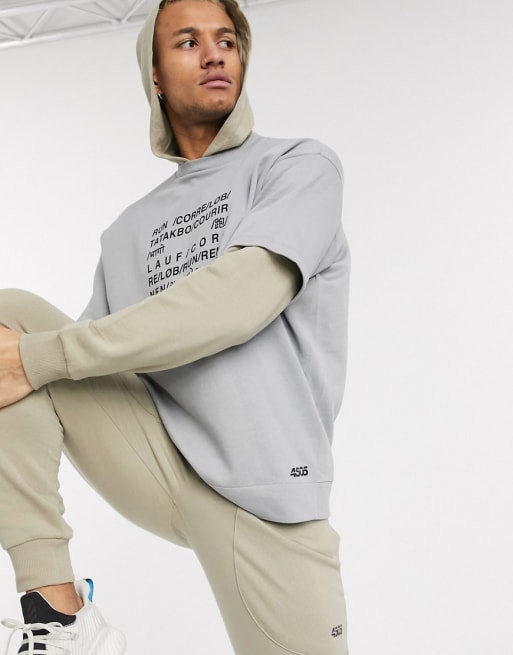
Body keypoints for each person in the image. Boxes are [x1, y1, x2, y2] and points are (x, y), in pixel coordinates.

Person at [0, 0, 350, 653]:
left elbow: (237, 301)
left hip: (269, 497)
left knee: (34, 354)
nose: (215, 53)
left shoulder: (297, 167)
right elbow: (73, 369)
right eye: (188, 42)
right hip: (159, 464)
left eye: (227, 40)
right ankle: (56, 614)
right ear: (154, 74)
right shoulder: (127, 231)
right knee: (9, 325)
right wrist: (38, 358)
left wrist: (45, 357)